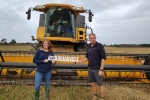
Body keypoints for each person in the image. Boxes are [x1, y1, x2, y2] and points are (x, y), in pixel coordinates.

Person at [79, 33, 106, 100]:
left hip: (97, 69)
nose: (92, 39)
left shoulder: (100, 46)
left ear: (95, 38)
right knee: (93, 83)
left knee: (100, 84)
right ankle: (95, 95)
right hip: (90, 68)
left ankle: (102, 97)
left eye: (93, 38)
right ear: (89, 39)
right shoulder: (88, 46)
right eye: (91, 38)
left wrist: (101, 69)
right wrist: (82, 61)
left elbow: (103, 58)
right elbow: (87, 57)